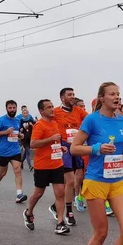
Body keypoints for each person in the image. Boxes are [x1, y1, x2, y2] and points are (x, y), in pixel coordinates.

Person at [71, 82, 123, 245]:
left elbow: (116, 143)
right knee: (101, 232)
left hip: (116, 181)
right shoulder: (91, 120)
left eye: (118, 93)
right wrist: (96, 148)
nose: (117, 97)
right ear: (101, 98)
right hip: (96, 181)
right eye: (112, 94)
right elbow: (74, 148)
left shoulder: (121, 120)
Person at [22, 99, 70, 234]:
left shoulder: (55, 123)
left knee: (60, 193)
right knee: (38, 193)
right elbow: (33, 144)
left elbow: (54, 142)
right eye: (48, 107)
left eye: (52, 106)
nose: (52, 109)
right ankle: (28, 212)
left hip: (57, 164)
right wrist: (51, 139)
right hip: (42, 165)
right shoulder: (39, 125)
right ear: (41, 111)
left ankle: (60, 223)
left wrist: (60, 147)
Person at [52, 87, 88, 226]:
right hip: (65, 148)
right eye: (69, 95)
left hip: (77, 147)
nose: (72, 96)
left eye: (73, 94)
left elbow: (90, 120)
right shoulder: (55, 112)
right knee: (70, 180)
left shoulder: (79, 111)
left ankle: (56, 206)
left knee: (77, 179)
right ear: (62, 98)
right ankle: (69, 212)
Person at [0, 100, 28, 203]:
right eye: (10, 108)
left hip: (15, 150)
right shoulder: (1, 120)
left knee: (17, 170)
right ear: (6, 108)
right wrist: (5, 132)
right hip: (3, 151)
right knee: (3, 173)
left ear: (16, 108)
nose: (12, 110)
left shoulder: (17, 120)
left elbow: (15, 132)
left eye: (14, 108)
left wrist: (20, 135)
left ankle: (19, 194)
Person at [19, 105, 36, 171]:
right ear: (22, 114)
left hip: (30, 137)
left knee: (26, 152)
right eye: (24, 113)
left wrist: (32, 124)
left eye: (26, 113)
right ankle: (30, 165)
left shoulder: (30, 119)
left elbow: (36, 125)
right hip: (24, 138)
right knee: (28, 151)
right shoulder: (20, 120)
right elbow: (18, 127)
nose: (25, 114)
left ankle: (21, 162)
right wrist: (20, 129)